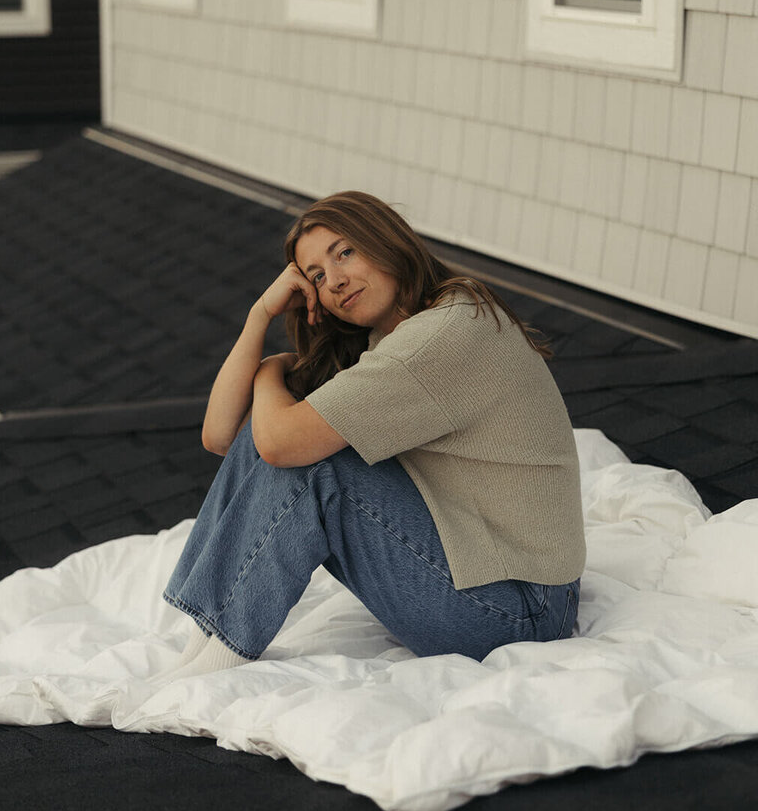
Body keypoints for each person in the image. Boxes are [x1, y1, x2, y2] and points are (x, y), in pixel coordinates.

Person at [161, 191, 585, 677]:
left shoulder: (441, 336)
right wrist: (261, 314)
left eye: (345, 252)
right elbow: (221, 435)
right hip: (487, 569)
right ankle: (205, 641)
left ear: (385, 240)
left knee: (315, 463)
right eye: (317, 276)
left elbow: (280, 444)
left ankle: (216, 656)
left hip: (520, 609)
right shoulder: (384, 340)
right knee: (282, 431)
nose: (335, 280)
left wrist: (268, 375)